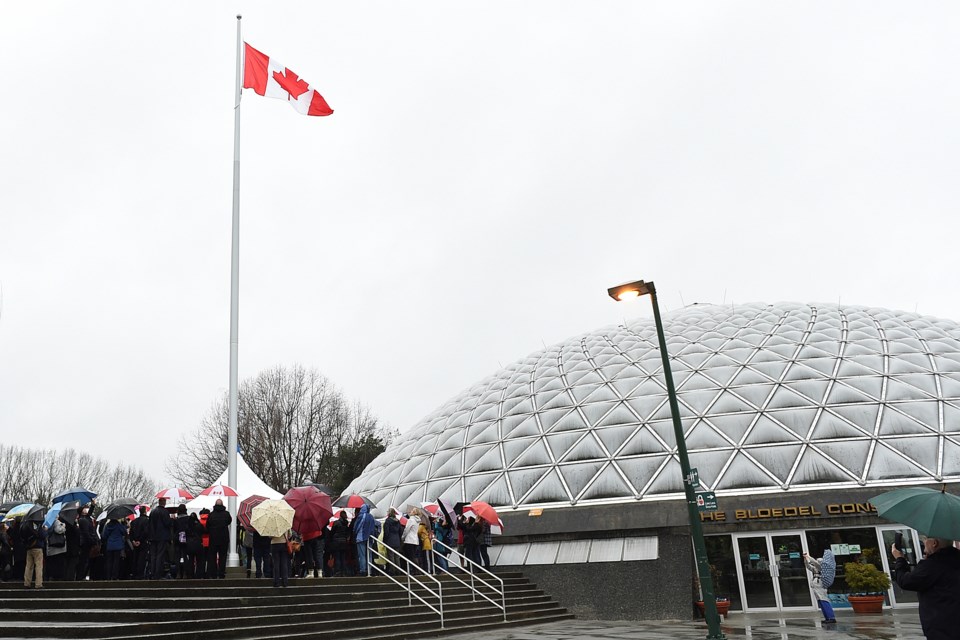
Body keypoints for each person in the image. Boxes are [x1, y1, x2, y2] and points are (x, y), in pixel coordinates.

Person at [892, 536, 960, 640]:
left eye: (926, 539)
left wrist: (900, 559)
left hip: (943, 627)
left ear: (934, 543)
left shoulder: (934, 564)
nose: (924, 542)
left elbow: (906, 581)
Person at [803, 550, 836, 623]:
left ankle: (831, 617)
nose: (816, 563)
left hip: (820, 584)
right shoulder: (815, 569)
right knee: (820, 601)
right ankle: (827, 617)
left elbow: (815, 562)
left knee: (824, 600)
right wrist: (805, 559)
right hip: (815, 585)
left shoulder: (822, 568)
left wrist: (808, 556)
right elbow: (808, 566)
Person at [148, 498, 173, 580]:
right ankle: (158, 574)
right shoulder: (165, 512)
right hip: (162, 536)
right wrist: (172, 519)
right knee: (160, 555)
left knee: (153, 555)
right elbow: (167, 523)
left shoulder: (152, 511)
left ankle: (152, 572)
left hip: (152, 536)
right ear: (164, 503)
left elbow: (150, 524)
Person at [76, 506, 98, 581]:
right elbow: (86, 533)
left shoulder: (85, 518)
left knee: (86, 560)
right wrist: (92, 540)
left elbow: (89, 514)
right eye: (84, 509)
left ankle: (82, 575)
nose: (86, 510)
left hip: (87, 541)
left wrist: (92, 505)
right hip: (86, 542)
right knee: (84, 560)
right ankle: (81, 576)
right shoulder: (83, 520)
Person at [353, 505, 376, 576]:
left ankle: (363, 570)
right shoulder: (371, 517)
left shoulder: (361, 516)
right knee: (369, 554)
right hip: (370, 538)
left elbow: (356, 527)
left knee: (362, 555)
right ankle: (370, 569)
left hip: (361, 537)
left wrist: (355, 534)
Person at [20, 518, 43, 589]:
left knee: (28, 566)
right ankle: (38, 584)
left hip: (29, 547)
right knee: (38, 566)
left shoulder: (25, 525)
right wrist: (45, 530)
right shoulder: (37, 525)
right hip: (38, 547)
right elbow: (42, 535)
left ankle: (27, 583)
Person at [129, 506, 150, 579]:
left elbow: (130, 533)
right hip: (143, 542)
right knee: (142, 559)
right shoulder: (147, 521)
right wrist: (140, 540)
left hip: (134, 542)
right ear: (145, 511)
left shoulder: (133, 522)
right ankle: (140, 575)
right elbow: (146, 532)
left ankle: (134, 573)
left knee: (135, 558)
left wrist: (133, 541)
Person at [330, 511, 352, 577]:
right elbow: (348, 533)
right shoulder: (346, 524)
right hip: (344, 543)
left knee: (337, 558)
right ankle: (344, 572)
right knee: (343, 557)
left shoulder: (336, 523)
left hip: (336, 543)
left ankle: (338, 572)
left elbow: (332, 532)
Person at [382, 508, 403, 575]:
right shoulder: (398, 521)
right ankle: (398, 570)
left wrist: (384, 541)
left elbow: (386, 532)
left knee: (391, 556)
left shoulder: (387, 521)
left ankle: (392, 571)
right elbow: (400, 532)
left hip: (390, 540)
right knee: (397, 556)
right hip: (397, 540)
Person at [61, 511, 80, 582]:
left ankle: (66, 577)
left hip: (67, 546)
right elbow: (77, 535)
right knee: (72, 563)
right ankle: (70, 578)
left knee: (67, 563)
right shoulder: (73, 525)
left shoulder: (66, 524)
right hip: (74, 547)